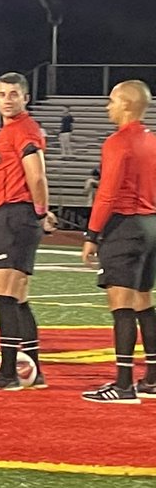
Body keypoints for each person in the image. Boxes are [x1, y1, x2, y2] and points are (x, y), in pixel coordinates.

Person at [0, 72, 57, 391]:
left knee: (5, 296)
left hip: (15, 215)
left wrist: (40, 211)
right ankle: (33, 370)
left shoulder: (24, 130)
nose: (7, 99)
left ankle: (8, 373)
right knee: (17, 298)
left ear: (26, 98)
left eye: (13, 94)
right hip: (12, 215)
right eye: (2, 94)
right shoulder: (10, 131)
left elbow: (36, 176)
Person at [80, 81, 156, 404]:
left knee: (122, 305)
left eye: (112, 101)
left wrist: (92, 235)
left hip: (124, 225)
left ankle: (123, 384)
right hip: (151, 225)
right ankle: (152, 379)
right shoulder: (153, 140)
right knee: (144, 302)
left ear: (126, 104)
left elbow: (107, 192)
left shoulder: (117, 142)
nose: (107, 107)